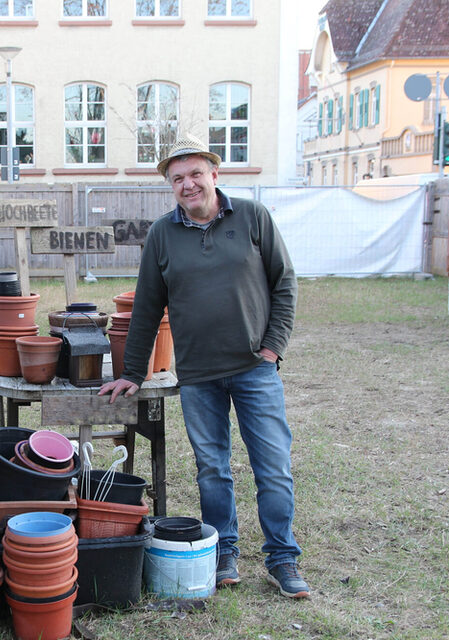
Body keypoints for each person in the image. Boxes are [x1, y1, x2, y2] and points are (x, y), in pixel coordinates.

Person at [99, 133, 310, 599]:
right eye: (178, 178)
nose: (189, 184)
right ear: (170, 186)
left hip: (255, 369)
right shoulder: (162, 235)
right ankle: (225, 551)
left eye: (196, 174)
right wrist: (133, 372)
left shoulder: (253, 217)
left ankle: (282, 557)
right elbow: (148, 307)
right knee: (212, 468)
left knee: (272, 467)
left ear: (214, 174)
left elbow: (285, 282)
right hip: (197, 375)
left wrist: (273, 347)